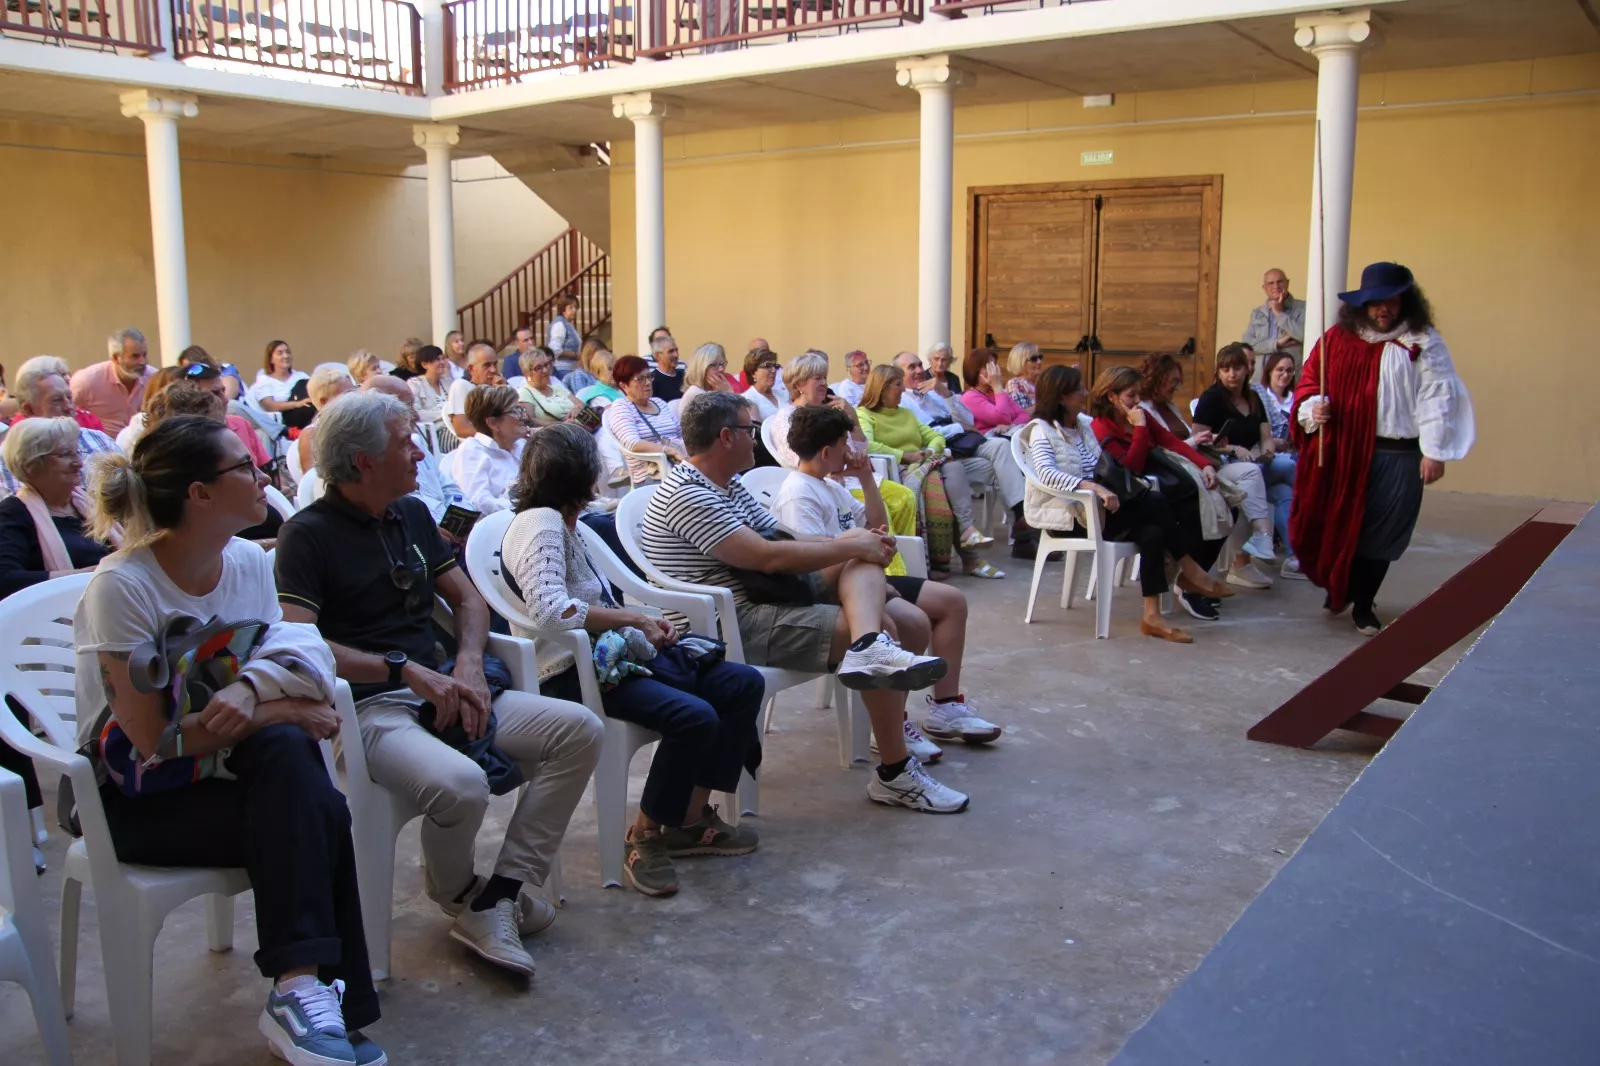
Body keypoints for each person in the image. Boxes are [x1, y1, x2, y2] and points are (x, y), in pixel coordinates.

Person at [74, 414, 384, 1065]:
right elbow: (155, 739)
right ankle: (321, 1000)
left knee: (298, 781)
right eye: (245, 466)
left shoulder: (246, 562)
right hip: (136, 799)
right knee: (314, 804)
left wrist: (262, 698)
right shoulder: (122, 589)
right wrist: (275, 710)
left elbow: (297, 664)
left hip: (229, 772)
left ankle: (302, 992)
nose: (263, 472)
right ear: (199, 494)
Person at [276, 392, 601, 977]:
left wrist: (469, 661)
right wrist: (405, 671)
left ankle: (497, 895)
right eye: (404, 440)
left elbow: (467, 598)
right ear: (364, 461)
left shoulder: (413, 515)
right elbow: (303, 644)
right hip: (371, 709)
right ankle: (463, 898)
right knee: (463, 785)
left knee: (578, 730)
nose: (419, 448)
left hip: (448, 686)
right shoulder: (308, 536)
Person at [640, 392, 969, 813]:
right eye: (749, 429)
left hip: (766, 592)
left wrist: (853, 541)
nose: (755, 438)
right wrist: (852, 545)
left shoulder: (727, 484)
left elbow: (782, 538)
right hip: (727, 621)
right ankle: (895, 770)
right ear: (726, 437)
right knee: (881, 611)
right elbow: (766, 556)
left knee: (871, 573)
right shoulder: (689, 495)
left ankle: (872, 651)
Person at [501, 424, 764, 897]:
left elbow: (591, 602)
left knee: (742, 684)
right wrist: (631, 620)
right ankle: (643, 835)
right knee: (695, 716)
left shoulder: (566, 523)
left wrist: (640, 622)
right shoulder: (538, 523)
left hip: (611, 660)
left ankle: (687, 818)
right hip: (571, 672)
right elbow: (551, 610)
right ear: (578, 473)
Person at [775, 405, 1002, 748]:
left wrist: (865, 478)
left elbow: (875, 527)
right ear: (826, 451)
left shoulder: (830, 486)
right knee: (911, 622)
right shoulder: (799, 493)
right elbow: (811, 564)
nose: (851, 450)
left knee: (951, 602)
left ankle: (945, 707)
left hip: (864, 578)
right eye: (844, 444)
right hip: (837, 590)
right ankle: (893, 725)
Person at [1291, 262, 1474, 635]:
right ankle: (1343, 586)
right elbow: (1309, 385)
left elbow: (1438, 397)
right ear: (1363, 305)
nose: (1383, 309)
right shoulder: (1337, 340)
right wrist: (1315, 408)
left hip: (1401, 456)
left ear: (1404, 301)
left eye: (1390, 300)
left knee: (1384, 534)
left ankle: (1362, 603)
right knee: (1344, 527)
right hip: (1346, 453)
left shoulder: (1423, 342)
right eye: (1375, 302)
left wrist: (1434, 451)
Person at [1026, 367, 1232, 643]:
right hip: (1070, 518)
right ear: (1062, 397)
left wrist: (1105, 482)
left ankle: (1152, 616)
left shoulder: (1081, 427)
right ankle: (1191, 571)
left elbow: (1100, 465)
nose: (1085, 394)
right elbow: (1047, 475)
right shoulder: (1041, 431)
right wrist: (1094, 487)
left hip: (1098, 511)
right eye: (1078, 390)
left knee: (1153, 532)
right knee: (1156, 500)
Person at [1090, 365, 1235, 622]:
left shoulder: (1140, 413)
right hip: (1135, 492)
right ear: (1111, 396)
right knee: (1190, 510)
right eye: (1130, 396)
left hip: (1161, 481)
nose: (1137, 401)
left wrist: (1205, 465)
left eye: (1138, 395)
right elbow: (1130, 467)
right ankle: (1192, 581)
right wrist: (1140, 429)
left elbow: (1172, 442)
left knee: (1220, 505)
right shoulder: (1102, 426)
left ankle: (1192, 577)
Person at [1137, 352, 1278, 591]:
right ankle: (1204, 574)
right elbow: (1160, 450)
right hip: (1179, 472)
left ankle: (1253, 546)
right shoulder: (1144, 410)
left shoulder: (1169, 405)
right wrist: (1195, 444)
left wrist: (1203, 441)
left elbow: (1180, 440)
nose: (1176, 387)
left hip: (1200, 463)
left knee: (1250, 483)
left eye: (1178, 381)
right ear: (1157, 379)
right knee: (1235, 494)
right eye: (1172, 381)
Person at [767, 353, 920, 567]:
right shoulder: (787, 417)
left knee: (906, 497)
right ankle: (892, 570)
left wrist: (853, 421)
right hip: (829, 478)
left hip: (846, 478)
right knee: (877, 517)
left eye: (824, 377)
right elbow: (799, 456)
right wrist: (831, 470)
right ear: (799, 383)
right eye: (817, 378)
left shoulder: (832, 411)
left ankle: (903, 556)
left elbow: (857, 450)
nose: (824, 383)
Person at [857, 364, 1002, 578]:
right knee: (942, 486)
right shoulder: (865, 415)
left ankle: (968, 531)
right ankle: (966, 559)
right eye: (898, 385)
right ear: (883, 388)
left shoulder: (906, 413)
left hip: (924, 463)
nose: (903, 390)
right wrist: (905, 455)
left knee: (953, 467)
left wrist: (931, 451)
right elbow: (868, 445)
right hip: (899, 470)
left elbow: (935, 435)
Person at [892, 350, 1035, 560]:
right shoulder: (902, 401)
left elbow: (966, 417)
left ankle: (1022, 522)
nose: (919, 370)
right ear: (898, 375)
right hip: (941, 453)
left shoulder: (933, 393)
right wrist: (958, 428)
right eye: (911, 367)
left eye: (920, 365)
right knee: (1002, 468)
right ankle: (1024, 530)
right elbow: (931, 433)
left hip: (963, 446)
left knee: (1002, 449)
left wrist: (946, 394)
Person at [1191, 343, 1281, 569]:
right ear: (1218, 372)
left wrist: (1267, 449)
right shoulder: (1211, 398)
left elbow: (1265, 434)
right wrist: (1233, 448)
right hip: (1219, 463)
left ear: (1247, 370)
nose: (1232, 374)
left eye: (1237, 368)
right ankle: (1259, 540)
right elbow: (1199, 440)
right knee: (1256, 476)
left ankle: (1292, 551)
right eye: (1225, 369)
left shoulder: (1253, 397)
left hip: (1255, 461)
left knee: (1289, 475)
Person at [360, 375, 466, 528]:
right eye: (406, 407)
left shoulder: (416, 443)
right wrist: (429, 530)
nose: (416, 415)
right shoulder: (377, 463)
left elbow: (449, 489)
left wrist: (459, 522)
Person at [0, 364, 119, 497]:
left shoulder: (101, 441)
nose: (69, 407)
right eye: (57, 401)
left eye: (69, 397)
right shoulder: (7, 460)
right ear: (29, 409)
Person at [1253, 350, 1301, 578]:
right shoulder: (1259, 395)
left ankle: (1296, 557)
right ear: (1269, 371)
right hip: (1266, 461)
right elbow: (1266, 435)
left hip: (1284, 459)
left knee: (1284, 493)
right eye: (1280, 369)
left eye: (1289, 370)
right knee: (1297, 471)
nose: (1285, 374)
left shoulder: (1298, 398)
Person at [602, 355, 686, 485]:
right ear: (624, 386)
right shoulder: (622, 407)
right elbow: (633, 443)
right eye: (640, 379)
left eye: (649, 376)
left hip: (678, 466)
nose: (647, 382)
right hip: (651, 475)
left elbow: (680, 433)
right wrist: (669, 450)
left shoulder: (659, 403)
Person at [69, 327, 154, 436]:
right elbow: (66, 413)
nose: (143, 362)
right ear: (116, 358)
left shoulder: (153, 378)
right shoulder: (87, 381)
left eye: (144, 355)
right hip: (104, 450)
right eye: (135, 356)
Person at [455, 385, 527, 514]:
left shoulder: (521, 446)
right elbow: (479, 502)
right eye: (515, 410)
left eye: (520, 409)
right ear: (492, 423)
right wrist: (526, 506)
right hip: (499, 526)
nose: (523, 417)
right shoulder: (472, 450)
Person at [10, 356, 106, 432]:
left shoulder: (88, 421)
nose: (68, 379)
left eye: (69, 397)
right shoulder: (20, 436)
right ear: (29, 410)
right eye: (61, 374)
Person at [1243, 268, 1306, 366]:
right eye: (1271, 283)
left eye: (1280, 281)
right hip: (1261, 377)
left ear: (1287, 283)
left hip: (1290, 375)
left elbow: (1304, 335)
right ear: (1264, 288)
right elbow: (1247, 345)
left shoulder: (1303, 308)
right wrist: (1276, 344)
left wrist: (1279, 313)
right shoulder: (1257, 313)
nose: (1276, 286)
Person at [961, 348, 1029, 436]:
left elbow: (1024, 415)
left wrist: (1011, 426)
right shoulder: (970, 397)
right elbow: (1002, 417)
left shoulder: (996, 393)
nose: (994, 371)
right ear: (975, 371)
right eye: (988, 366)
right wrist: (997, 386)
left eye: (995, 365)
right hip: (988, 442)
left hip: (1009, 437)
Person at [446, 341, 506, 441]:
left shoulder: (498, 386)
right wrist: (498, 432)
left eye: (495, 364)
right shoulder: (462, 386)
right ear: (471, 369)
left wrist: (503, 393)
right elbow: (462, 429)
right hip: (477, 444)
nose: (493, 370)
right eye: (487, 365)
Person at [250, 340, 315, 431]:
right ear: (271, 359)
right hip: (283, 421)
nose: (286, 356)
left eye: (288, 352)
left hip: (306, 414)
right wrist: (297, 404)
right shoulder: (265, 380)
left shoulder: (300, 376)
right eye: (280, 353)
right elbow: (269, 405)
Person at [517, 348, 580, 426]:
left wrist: (577, 409)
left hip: (579, 431)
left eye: (546, 365)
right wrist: (562, 425)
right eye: (538, 368)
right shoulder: (525, 392)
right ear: (526, 373)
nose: (545, 370)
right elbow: (530, 422)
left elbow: (583, 407)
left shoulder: (558, 388)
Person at [408, 343, 452, 424]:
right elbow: (415, 413)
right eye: (437, 359)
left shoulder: (448, 382)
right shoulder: (414, 384)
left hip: (454, 425)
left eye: (443, 358)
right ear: (424, 364)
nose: (442, 362)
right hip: (434, 429)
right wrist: (445, 414)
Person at [678, 343, 733, 408]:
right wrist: (728, 394)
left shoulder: (717, 389)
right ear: (701, 368)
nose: (721, 369)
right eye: (714, 365)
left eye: (722, 364)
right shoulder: (695, 394)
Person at [742, 348, 783, 422]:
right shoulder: (747, 399)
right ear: (753, 372)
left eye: (775, 366)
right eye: (767, 366)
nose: (773, 370)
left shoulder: (784, 394)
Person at [545, 297, 582, 377]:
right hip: (562, 369)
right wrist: (576, 355)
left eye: (576, 307)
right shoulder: (560, 324)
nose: (574, 310)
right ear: (563, 310)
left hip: (571, 368)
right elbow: (554, 350)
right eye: (570, 307)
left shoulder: (569, 324)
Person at [1005, 342, 1044, 411]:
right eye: (1033, 359)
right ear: (1020, 362)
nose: (1039, 361)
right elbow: (1023, 412)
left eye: (1040, 357)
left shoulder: (1042, 383)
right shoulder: (1015, 384)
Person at [648, 334, 685, 403]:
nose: (676, 355)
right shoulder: (652, 381)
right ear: (657, 356)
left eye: (676, 350)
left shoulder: (685, 377)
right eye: (670, 351)